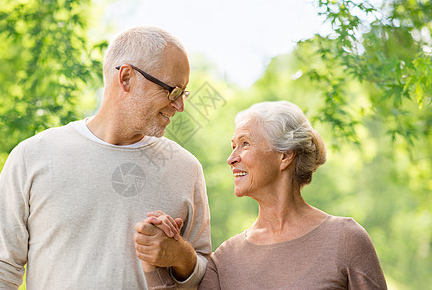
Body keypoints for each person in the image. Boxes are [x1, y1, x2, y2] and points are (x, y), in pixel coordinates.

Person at [0, 26, 211, 289]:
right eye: (172, 91)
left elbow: (206, 275)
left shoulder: (186, 169)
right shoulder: (33, 156)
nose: (180, 106)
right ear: (126, 78)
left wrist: (182, 256)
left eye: (184, 94)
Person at [143, 101, 387, 289]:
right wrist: (154, 259)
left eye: (245, 144)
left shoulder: (345, 239)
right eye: (232, 147)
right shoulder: (226, 259)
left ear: (284, 156)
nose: (231, 159)